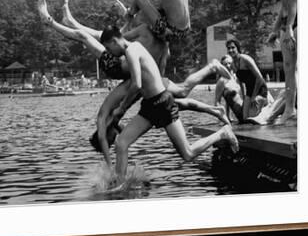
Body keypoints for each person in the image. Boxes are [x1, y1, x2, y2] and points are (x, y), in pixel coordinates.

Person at [37, 0, 230, 165]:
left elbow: (119, 38)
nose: (112, 141)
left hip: (131, 75)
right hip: (121, 69)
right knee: (88, 37)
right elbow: (117, 38)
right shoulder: (148, 36)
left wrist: (127, 17)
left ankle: (53, 21)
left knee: (182, 93)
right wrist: (127, 17)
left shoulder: (156, 39)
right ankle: (60, 21)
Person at [99, 26, 239, 186]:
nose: (109, 52)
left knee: (188, 153)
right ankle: (120, 185)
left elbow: (136, 84)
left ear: (114, 41)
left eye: (108, 48)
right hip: (149, 106)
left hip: (162, 104)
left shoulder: (132, 50)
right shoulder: (132, 50)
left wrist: (121, 108)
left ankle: (222, 133)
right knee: (121, 143)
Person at [262, 0, 298, 123]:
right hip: (287, 24)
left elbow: (295, 0)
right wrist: (275, 31)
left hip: (297, 22)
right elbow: (284, 7)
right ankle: (290, 110)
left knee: (299, 68)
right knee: (289, 69)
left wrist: (290, 26)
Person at [225, 39, 272, 121]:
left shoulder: (245, 59)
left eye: (233, 47)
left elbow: (259, 77)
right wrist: (244, 98)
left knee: (253, 118)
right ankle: (265, 105)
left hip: (260, 89)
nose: (231, 50)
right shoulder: (233, 64)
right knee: (245, 119)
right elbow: (241, 83)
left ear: (237, 48)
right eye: (229, 48)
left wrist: (254, 96)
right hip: (249, 92)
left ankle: (267, 103)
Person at [214, 55, 270, 123]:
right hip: (240, 113)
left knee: (264, 94)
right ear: (222, 66)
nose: (228, 66)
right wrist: (223, 117)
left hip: (246, 107)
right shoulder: (221, 81)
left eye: (229, 63)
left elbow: (243, 93)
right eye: (225, 64)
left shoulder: (237, 78)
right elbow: (217, 102)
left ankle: (270, 107)